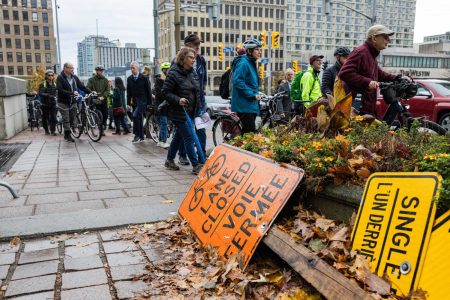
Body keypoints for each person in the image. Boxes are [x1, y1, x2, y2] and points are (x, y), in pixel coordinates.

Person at [339, 25, 399, 117]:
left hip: (366, 107)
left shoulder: (371, 55)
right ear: (374, 38)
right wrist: (368, 82)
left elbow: (379, 74)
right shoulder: (361, 52)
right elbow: (344, 73)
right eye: (385, 37)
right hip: (356, 108)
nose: (388, 40)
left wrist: (398, 78)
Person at [163, 47, 204, 175]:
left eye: (194, 58)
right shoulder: (173, 73)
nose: (193, 60)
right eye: (191, 57)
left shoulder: (193, 72)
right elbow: (165, 92)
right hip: (178, 111)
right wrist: (178, 99)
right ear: (183, 58)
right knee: (189, 137)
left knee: (178, 137)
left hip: (191, 111)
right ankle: (196, 165)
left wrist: (199, 107)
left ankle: (169, 160)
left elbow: (197, 91)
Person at [177, 34, 208, 166]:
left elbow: (204, 79)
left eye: (199, 44)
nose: (198, 47)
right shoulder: (178, 61)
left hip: (199, 101)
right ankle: (182, 155)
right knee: (185, 131)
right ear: (187, 45)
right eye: (195, 44)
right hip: (186, 102)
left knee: (201, 129)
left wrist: (202, 95)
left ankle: (201, 154)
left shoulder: (201, 60)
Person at [230, 38, 262, 134]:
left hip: (250, 104)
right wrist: (252, 95)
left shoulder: (251, 63)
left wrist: (257, 94)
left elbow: (250, 83)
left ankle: (239, 146)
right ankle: (239, 148)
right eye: (257, 49)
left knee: (249, 132)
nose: (259, 52)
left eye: (260, 50)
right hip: (244, 104)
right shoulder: (243, 63)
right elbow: (238, 81)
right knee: (249, 133)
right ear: (249, 51)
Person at [56, 62, 91, 142]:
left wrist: (90, 92)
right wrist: (71, 93)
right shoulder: (60, 78)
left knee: (72, 118)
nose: (72, 69)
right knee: (66, 118)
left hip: (73, 101)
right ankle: (67, 135)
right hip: (63, 102)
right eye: (70, 68)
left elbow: (81, 86)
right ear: (65, 68)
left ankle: (68, 130)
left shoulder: (74, 77)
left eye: (73, 68)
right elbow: (60, 90)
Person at [127, 61, 152, 143]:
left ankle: (136, 135)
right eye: (131, 68)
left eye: (133, 68)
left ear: (137, 68)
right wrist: (128, 104)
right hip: (134, 101)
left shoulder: (144, 78)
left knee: (135, 116)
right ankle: (141, 136)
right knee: (139, 118)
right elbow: (128, 92)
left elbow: (149, 91)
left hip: (142, 101)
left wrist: (149, 103)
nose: (131, 69)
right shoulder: (129, 79)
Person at [87, 65, 109, 134]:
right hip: (95, 100)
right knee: (99, 115)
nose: (100, 72)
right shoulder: (91, 80)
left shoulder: (105, 80)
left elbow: (107, 90)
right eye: (99, 70)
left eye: (101, 70)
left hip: (103, 100)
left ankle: (103, 124)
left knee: (105, 114)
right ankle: (101, 128)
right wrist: (92, 92)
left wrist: (104, 96)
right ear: (96, 71)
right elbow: (87, 87)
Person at [153, 62, 171, 149]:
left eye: (169, 70)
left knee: (165, 123)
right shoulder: (159, 80)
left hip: (167, 105)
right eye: (167, 70)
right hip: (160, 105)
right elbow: (160, 93)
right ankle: (162, 141)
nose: (168, 71)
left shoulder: (169, 80)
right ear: (163, 70)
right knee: (163, 123)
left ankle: (161, 140)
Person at [38, 69, 58, 136]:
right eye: (49, 75)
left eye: (52, 75)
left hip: (53, 104)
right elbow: (40, 93)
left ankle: (53, 130)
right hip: (45, 104)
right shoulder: (42, 84)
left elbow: (57, 92)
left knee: (54, 118)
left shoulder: (55, 84)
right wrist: (49, 96)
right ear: (46, 76)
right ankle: (46, 130)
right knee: (45, 118)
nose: (50, 77)